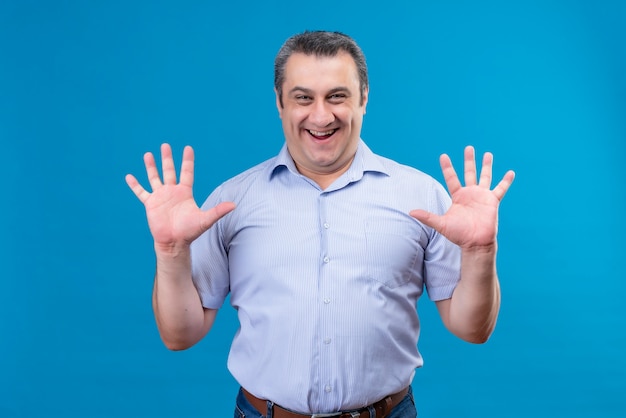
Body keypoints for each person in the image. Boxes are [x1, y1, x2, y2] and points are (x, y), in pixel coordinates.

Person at [125, 30, 515, 418]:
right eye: (303, 97)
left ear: (364, 98)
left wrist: (481, 253)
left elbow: (472, 329)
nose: (321, 115)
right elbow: (180, 335)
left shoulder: (421, 196)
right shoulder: (232, 202)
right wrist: (172, 252)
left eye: (337, 96)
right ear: (279, 102)